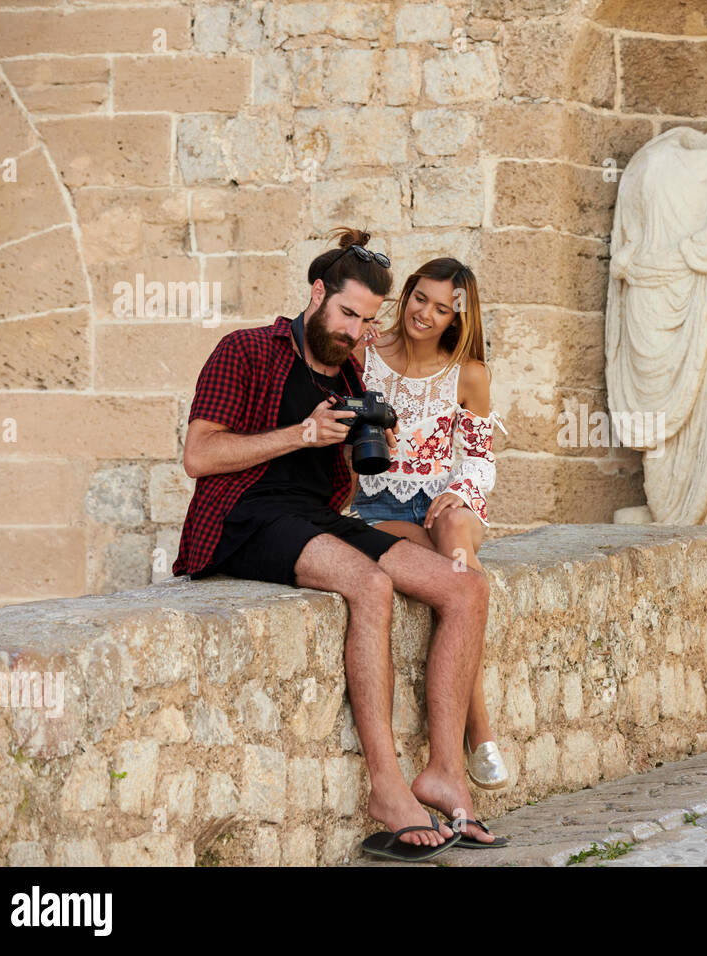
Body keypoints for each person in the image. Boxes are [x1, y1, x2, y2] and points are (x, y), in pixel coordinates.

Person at [171, 227, 502, 860]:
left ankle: (444, 773)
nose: (355, 330)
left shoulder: (354, 370)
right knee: (370, 585)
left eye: (366, 319)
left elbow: (356, 469)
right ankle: (387, 790)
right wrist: (301, 432)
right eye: (347, 313)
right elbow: (198, 455)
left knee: (465, 586)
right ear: (317, 292)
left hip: (315, 517)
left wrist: (368, 443)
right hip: (241, 517)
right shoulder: (246, 350)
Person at [351, 257, 511, 791]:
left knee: (458, 538)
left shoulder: (468, 374)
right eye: (421, 298)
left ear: (457, 319)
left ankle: (467, 748)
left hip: (444, 504)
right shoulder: (365, 353)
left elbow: (480, 462)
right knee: (463, 587)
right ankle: (480, 736)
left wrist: (454, 489)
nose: (425, 313)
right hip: (375, 509)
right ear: (408, 294)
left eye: (443, 308)